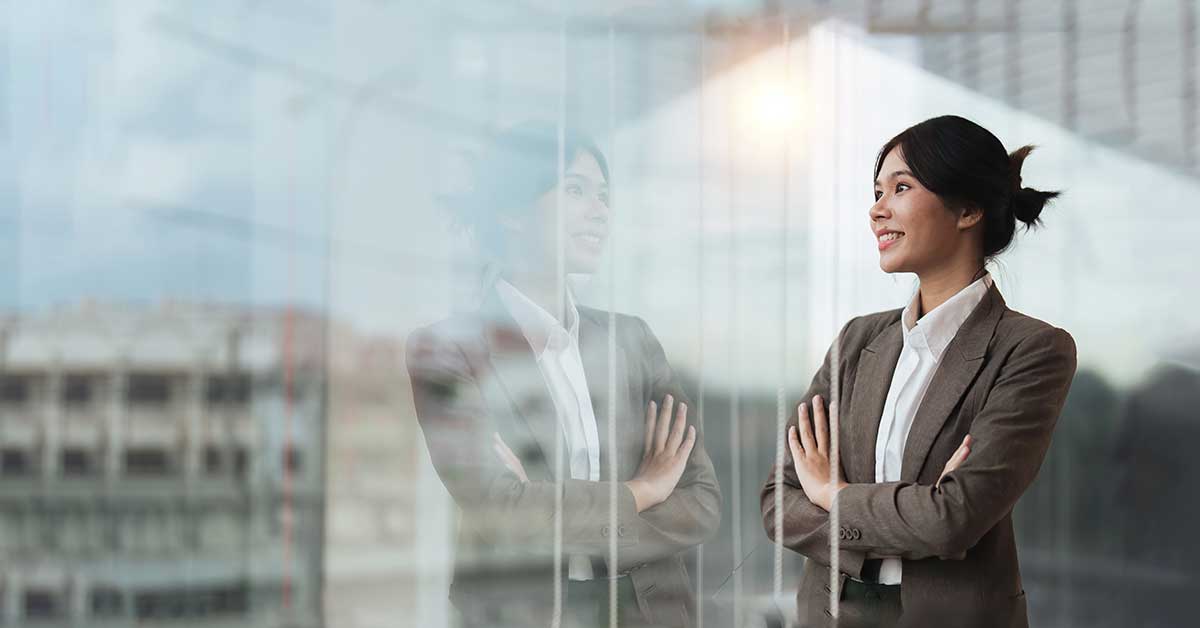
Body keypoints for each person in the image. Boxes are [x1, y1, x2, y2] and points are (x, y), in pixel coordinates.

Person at [760, 115, 1078, 627]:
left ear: (968, 209)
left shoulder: (1032, 351)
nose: (876, 210)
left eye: (901, 188)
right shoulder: (856, 342)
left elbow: (954, 520)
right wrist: (914, 512)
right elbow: (779, 502)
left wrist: (833, 495)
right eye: (877, 191)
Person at [407, 121, 721, 627]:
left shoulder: (632, 341)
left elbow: (701, 502)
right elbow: (501, 513)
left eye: (603, 194)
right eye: (576, 190)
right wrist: (642, 491)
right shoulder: (448, 351)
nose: (600, 211)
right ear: (511, 210)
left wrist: (547, 510)